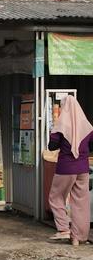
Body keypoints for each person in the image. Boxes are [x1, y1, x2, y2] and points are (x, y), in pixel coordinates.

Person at [48, 95, 93, 246]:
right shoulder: (87, 126)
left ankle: (63, 229)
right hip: (83, 169)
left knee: (56, 197)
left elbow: (52, 146)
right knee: (81, 202)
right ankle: (78, 237)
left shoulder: (61, 126)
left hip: (65, 168)